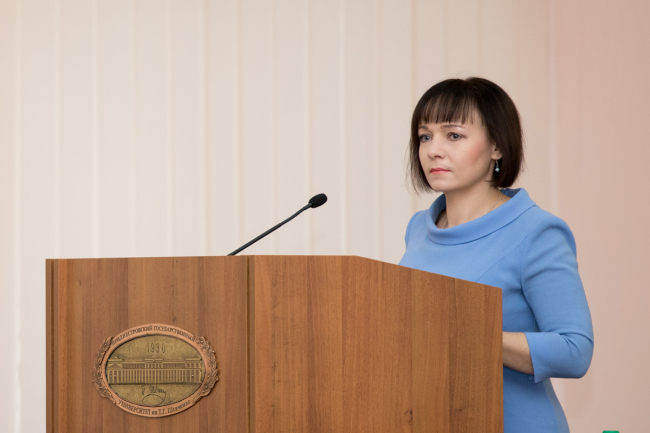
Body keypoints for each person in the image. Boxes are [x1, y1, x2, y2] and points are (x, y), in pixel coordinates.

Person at [399, 77, 593, 433]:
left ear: (497, 147)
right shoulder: (418, 229)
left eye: (453, 135)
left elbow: (574, 350)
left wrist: (470, 332)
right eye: (425, 136)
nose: (433, 150)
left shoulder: (536, 232)